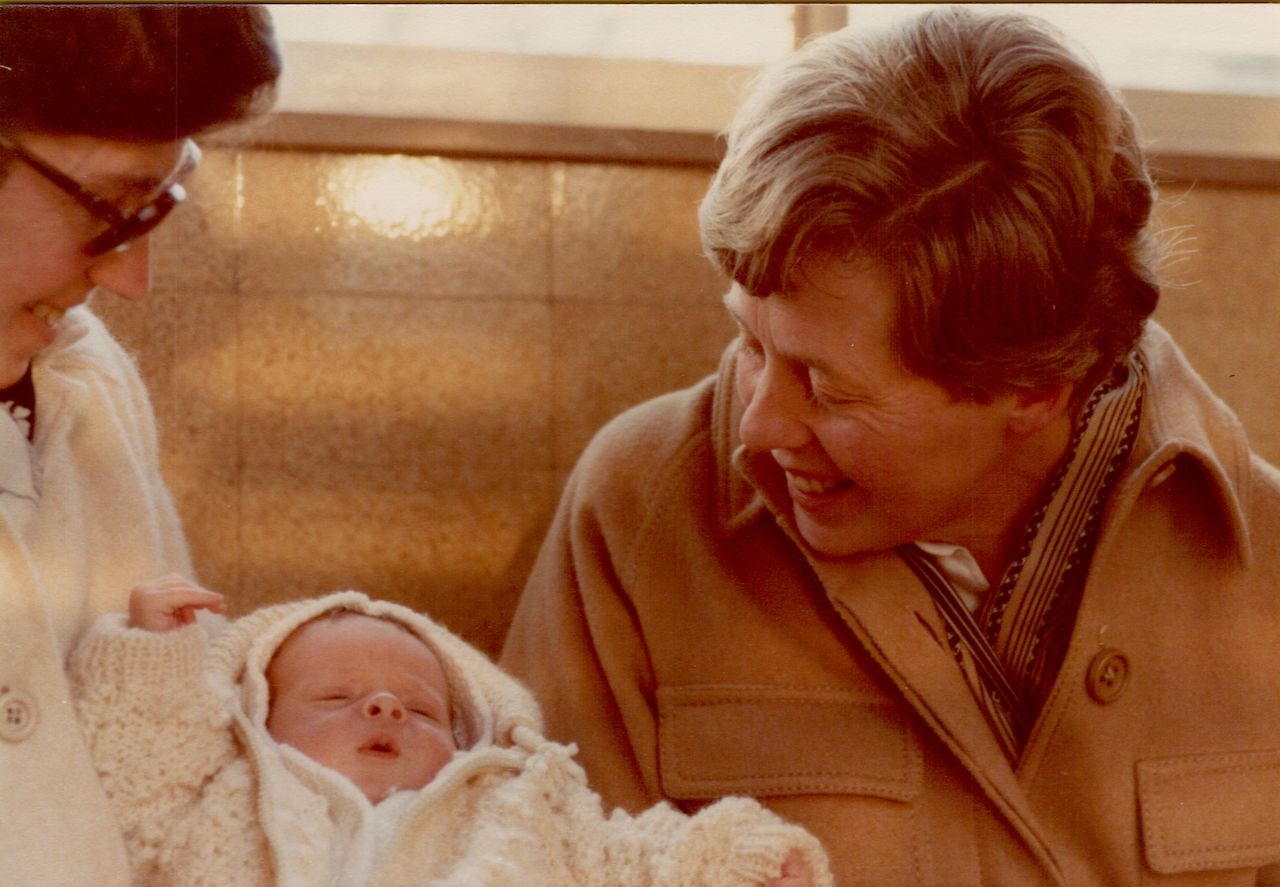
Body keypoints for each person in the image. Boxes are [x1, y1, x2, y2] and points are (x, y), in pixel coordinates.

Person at [500, 7, 1280, 886]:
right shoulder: (639, 511)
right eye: (751, 344)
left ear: (1032, 387)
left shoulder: (1269, 564)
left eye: (827, 387)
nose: (756, 426)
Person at [0, 7, 280, 886]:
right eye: (115, 205)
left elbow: (174, 749)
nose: (130, 278)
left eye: (157, 202)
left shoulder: (87, 377)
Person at [69, 578, 831, 887]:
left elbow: (634, 861)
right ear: (259, 724)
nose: (384, 709)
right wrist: (151, 654)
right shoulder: (225, 797)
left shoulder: (513, 809)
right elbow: (138, 776)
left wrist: (743, 862)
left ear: (469, 738)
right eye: (335, 695)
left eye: (421, 708)